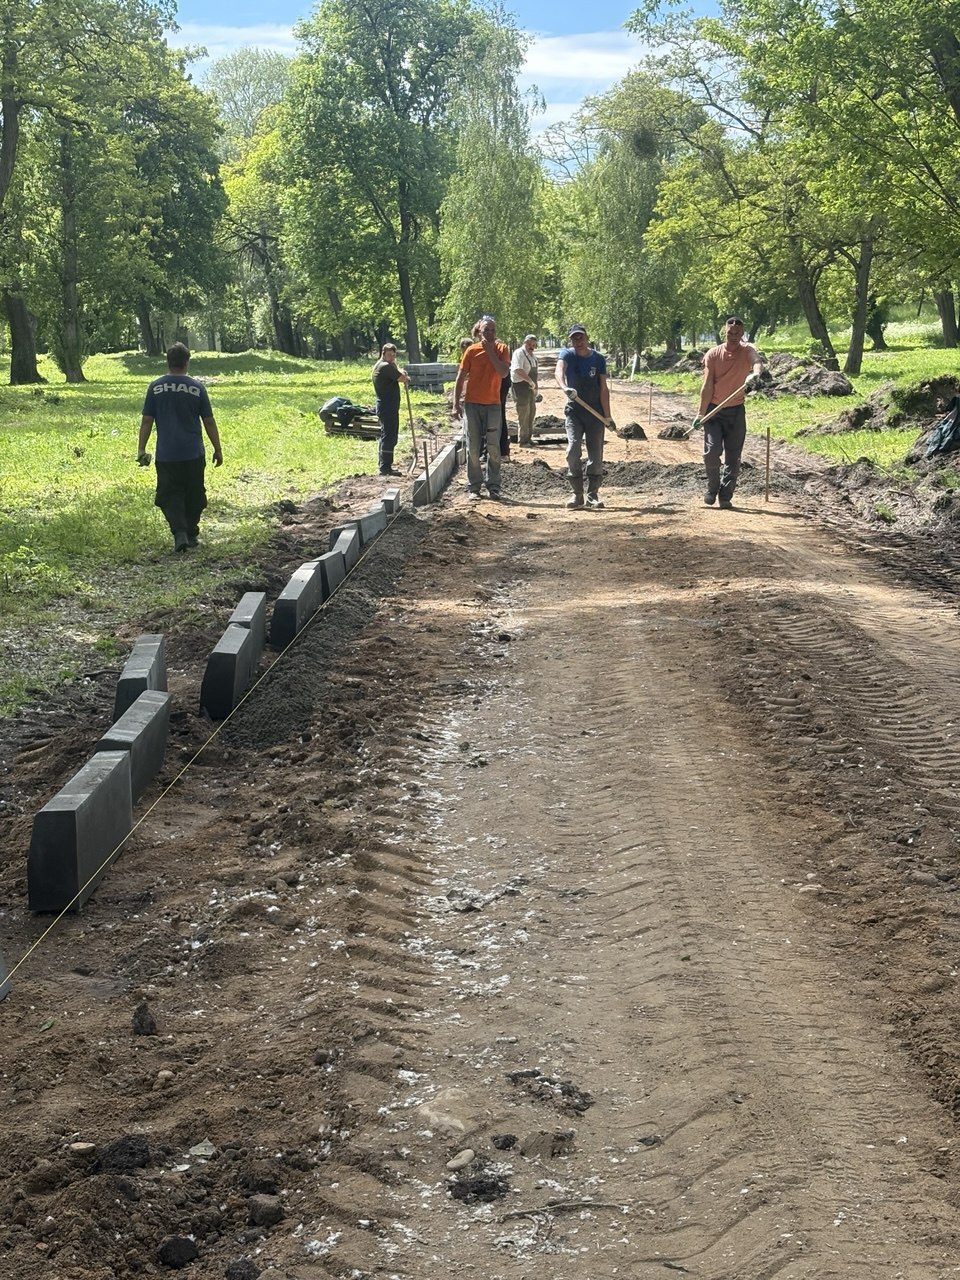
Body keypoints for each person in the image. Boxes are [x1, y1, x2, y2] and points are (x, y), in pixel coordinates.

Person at [138, 342, 222, 553]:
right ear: (186, 362)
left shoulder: (155, 387)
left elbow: (147, 420)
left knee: (169, 493)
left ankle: (180, 532)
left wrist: (141, 449)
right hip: (193, 452)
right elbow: (208, 421)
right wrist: (217, 448)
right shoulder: (197, 388)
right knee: (195, 493)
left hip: (167, 454)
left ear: (168, 362)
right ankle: (191, 531)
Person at [694, 315, 764, 508]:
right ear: (724, 332)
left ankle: (725, 496)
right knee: (711, 451)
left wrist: (755, 374)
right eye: (730, 333)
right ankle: (712, 488)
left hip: (736, 411)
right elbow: (707, 385)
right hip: (714, 411)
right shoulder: (713, 355)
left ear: (742, 334)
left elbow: (757, 361)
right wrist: (701, 414)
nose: (733, 336)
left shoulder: (747, 350)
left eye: (737, 333)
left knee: (733, 456)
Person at [453, 314, 511, 501]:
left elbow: (503, 373)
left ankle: (494, 486)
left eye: (493, 330)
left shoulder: (502, 349)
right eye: (487, 330)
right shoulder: (470, 351)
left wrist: (490, 352)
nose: (491, 333)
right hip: (472, 405)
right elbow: (460, 378)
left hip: (493, 405)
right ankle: (474, 487)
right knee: (473, 447)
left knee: (494, 447)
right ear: (479, 332)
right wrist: (455, 404)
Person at [555, 323, 612, 510]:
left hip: (595, 413)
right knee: (573, 449)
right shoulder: (567, 355)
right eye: (574, 338)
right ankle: (577, 494)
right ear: (570, 340)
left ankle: (592, 495)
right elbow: (559, 371)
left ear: (587, 338)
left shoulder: (598, 359)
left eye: (580, 337)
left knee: (595, 455)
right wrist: (565, 388)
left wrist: (608, 416)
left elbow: (603, 388)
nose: (578, 341)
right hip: (574, 411)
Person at [372, 341, 409, 476]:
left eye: (394, 355)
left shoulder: (381, 365)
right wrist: (402, 373)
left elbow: (398, 373)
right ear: (383, 354)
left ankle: (383, 464)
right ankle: (386, 467)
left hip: (386, 405)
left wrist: (397, 369)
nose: (392, 357)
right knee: (390, 437)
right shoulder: (385, 367)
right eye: (389, 355)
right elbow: (402, 378)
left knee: (385, 435)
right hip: (387, 406)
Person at [511, 334, 539, 447]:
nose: (531, 347)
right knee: (524, 414)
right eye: (530, 344)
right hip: (520, 387)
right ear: (525, 342)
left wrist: (536, 387)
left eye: (533, 345)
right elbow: (518, 370)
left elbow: (535, 374)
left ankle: (529, 438)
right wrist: (529, 381)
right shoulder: (519, 353)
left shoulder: (533, 357)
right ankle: (523, 441)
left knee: (532, 412)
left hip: (530, 388)